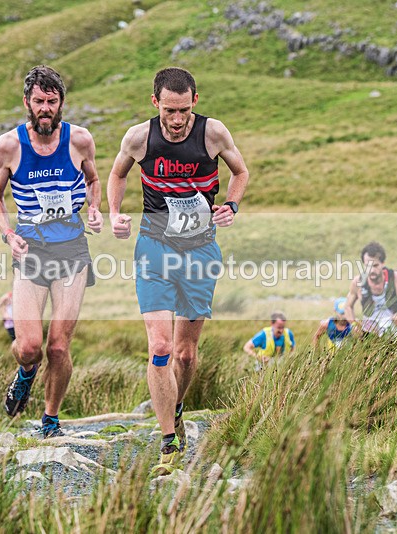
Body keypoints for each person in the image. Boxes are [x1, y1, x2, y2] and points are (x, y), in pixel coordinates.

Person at [107, 67, 249, 475]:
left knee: (186, 354)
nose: (176, 119)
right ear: (155, 103)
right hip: (154, 248)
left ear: (195, 102)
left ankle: (177, 405)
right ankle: (169, 442)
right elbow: (117, 174)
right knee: (160, 347)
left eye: (184, 110)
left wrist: (231, 206)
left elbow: (240, 172)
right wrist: (115, 214)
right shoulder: (138, 138)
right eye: (169, 110)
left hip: (201, 250)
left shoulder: (213, 134)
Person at [0, 65, 103, 438]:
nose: (45, 108)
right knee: (30, 347)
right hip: (30, 249)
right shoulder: (9, 145)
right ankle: (24, 374)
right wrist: (8, 234)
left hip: (71, 249)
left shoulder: (80, 140)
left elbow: (94, 179)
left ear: (61, 104)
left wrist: (95, 208)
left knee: (57, 347)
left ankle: (50, 419)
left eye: (52, 102)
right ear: (27, 103)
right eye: (39, 101)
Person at [344, 241, 397, 337]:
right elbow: (348, 306)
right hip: (370, 335)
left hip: (395, 333)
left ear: (383, 263)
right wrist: (353, 324)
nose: (372, 270)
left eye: (375, 265)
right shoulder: (358, 282)